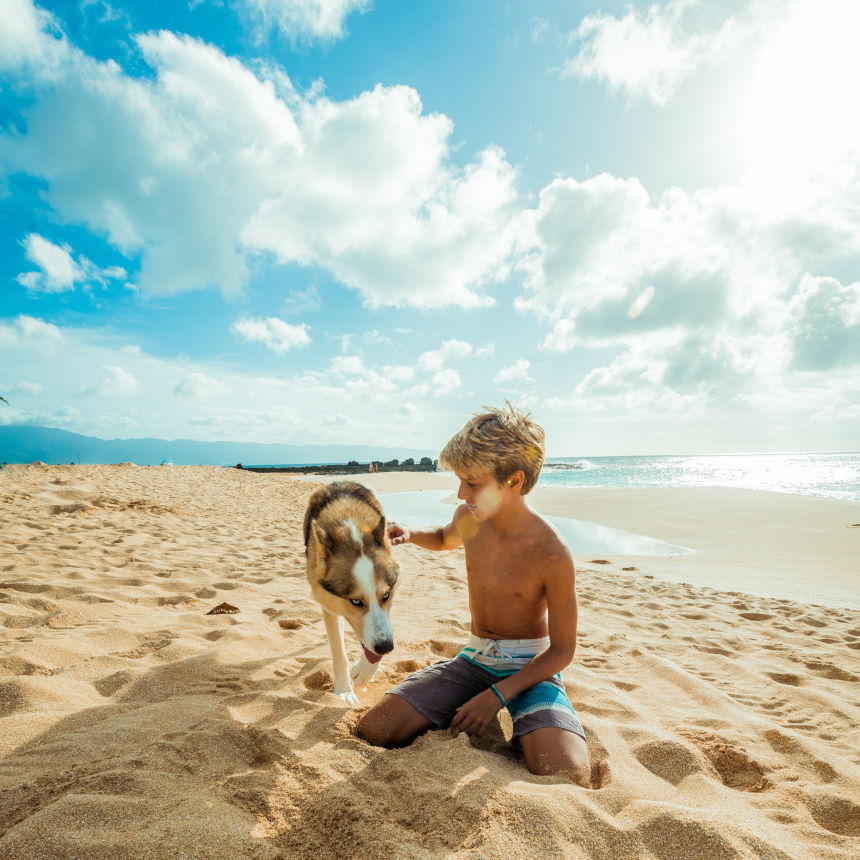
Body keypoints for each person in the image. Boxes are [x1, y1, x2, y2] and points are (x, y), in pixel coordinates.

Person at [355, 403, 590, 785]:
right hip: (475, 659)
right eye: (460, 481)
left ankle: (526, 720)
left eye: (473, 483)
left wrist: (498, 695)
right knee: (375, 730)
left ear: (513, 481)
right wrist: (411, 533)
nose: (461, 493)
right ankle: (456, 702)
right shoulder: (469, 519)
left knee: (567, 772)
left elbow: (562, 650)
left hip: (530, 669)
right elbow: (444, 538)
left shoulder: (551, 552)